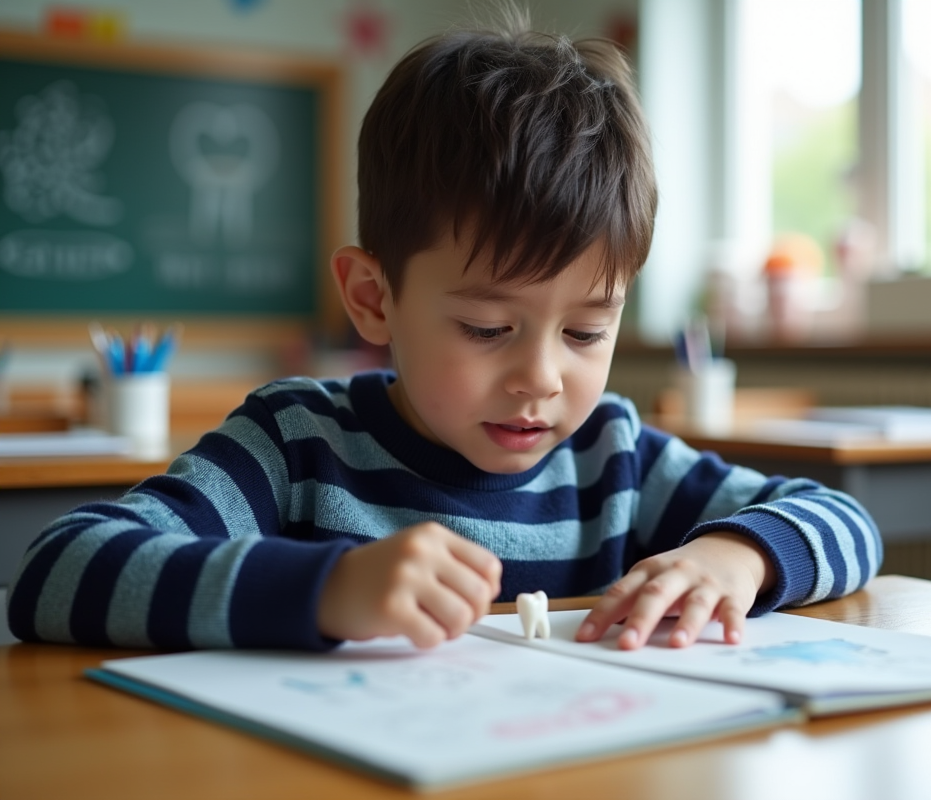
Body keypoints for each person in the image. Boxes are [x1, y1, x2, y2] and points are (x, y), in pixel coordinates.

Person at [6, 14, 881, 654]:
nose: (541, 377)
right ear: (373, 298)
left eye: (585, 331)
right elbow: (56, 572)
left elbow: (845, 521)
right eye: (488, 327)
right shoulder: (298, 444)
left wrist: (737, 558)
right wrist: (323, 590)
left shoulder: (614, 459)